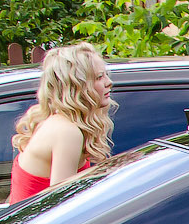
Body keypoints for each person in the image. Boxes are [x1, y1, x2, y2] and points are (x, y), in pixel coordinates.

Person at [8, 42, 116, 201]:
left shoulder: (56, 122)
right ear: (77, 86)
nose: (109, 82)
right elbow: (61, 207)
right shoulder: (67, 132)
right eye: (99, 77)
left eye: (106, 75)